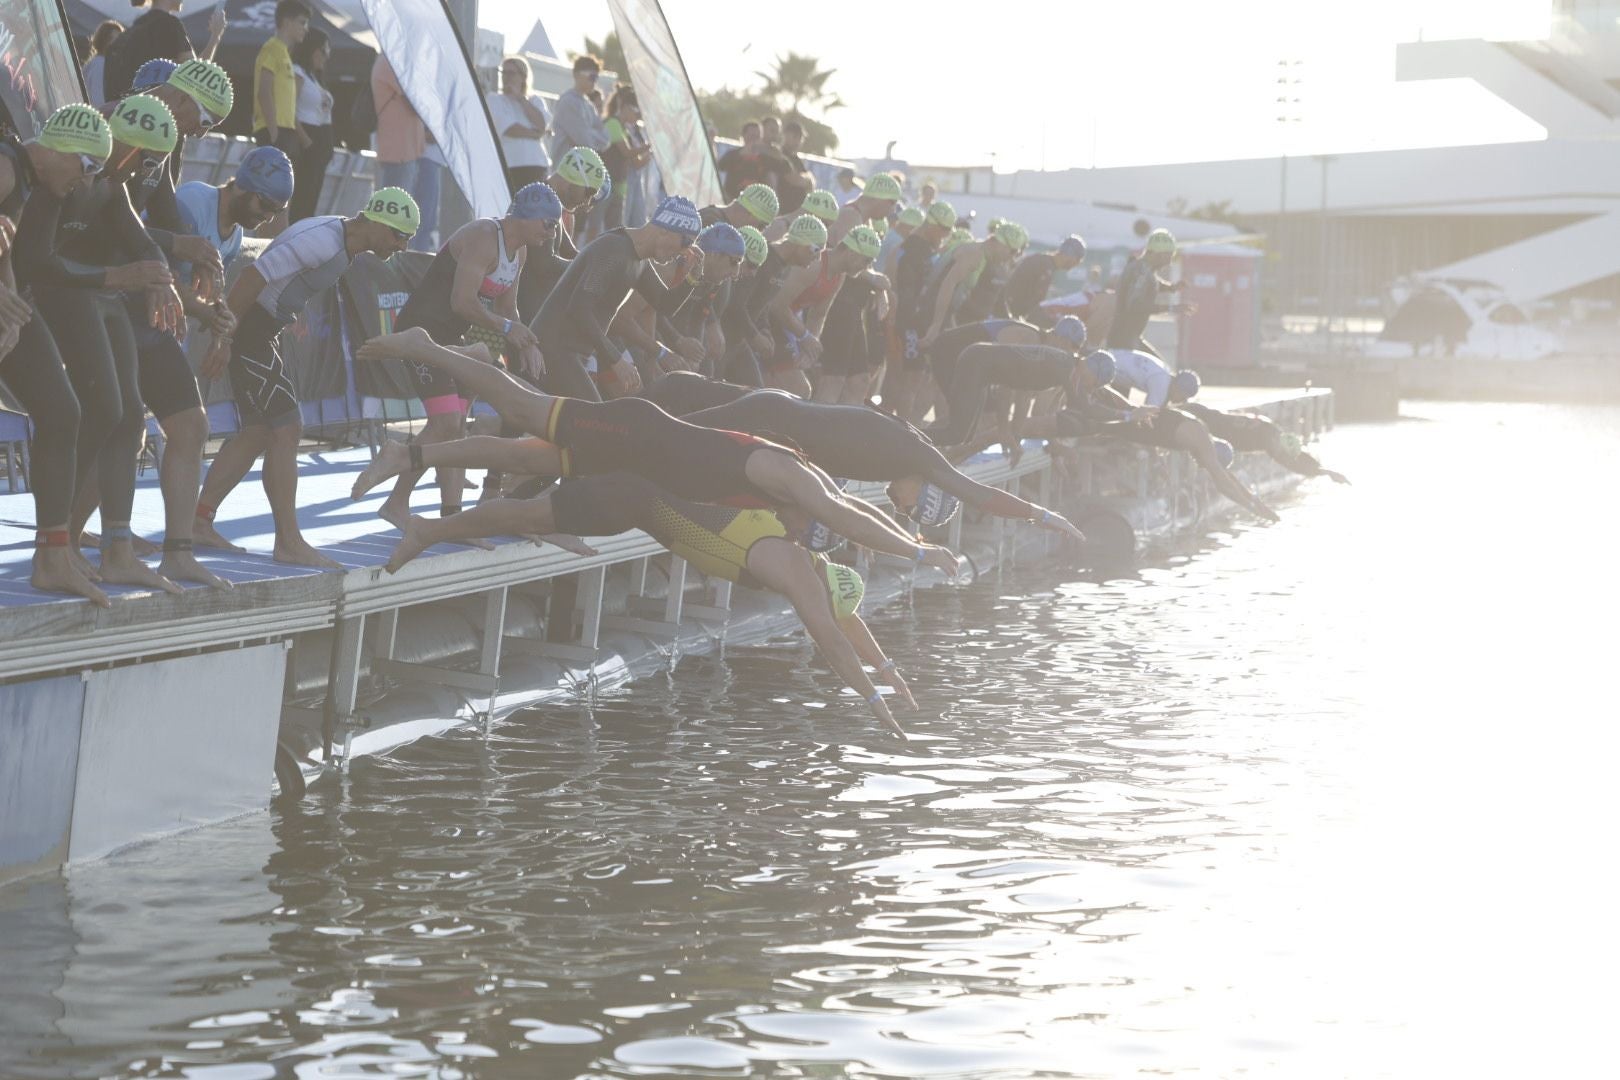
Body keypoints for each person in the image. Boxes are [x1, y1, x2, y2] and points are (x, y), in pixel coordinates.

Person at [351, 328, 965, 581]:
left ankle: (421, 496)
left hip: (635, 459)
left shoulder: (779, 506)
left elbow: (852, 514)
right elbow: (847, 512)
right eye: (811, 533)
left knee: (525, 459)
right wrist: (916, 550)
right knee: (519, 410)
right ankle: (428, 350)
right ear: (811, 517)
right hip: (634, 432)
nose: (800, 537)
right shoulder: (794, 477)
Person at [379, 472, 914, 738]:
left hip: (648, 491)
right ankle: (436, 524)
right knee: (533, 509)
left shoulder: (800, 548)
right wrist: (872, 699)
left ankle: (508, 509)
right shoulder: (794, 568)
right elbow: (833, 636)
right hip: (633, 499)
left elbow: (845, 622)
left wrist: (888, 669)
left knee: (542, 489)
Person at [191, 186, 418, 567]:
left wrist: (284, 316)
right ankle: (289, 541)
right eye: (401, 236)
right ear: (378, 223)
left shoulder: (343, 241)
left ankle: (199, 520)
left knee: (259, 430)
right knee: (287, 429)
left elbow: (280, 281)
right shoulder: (324, 241)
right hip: (249, 333)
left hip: (261, 332)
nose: (404, 247)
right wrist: (223, 337)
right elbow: (251, 277)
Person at [27, 94, 184, 596]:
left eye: (153, 162)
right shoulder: (61, 175)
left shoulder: (111, 184)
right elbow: (40, 263)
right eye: (142, 156)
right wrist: (117, 275)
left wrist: (160, 277)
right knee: (98, 407)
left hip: (94, 291)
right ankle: (60, 539)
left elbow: (142, 242)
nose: (142, 169)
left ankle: (112, 547)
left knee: (129, 415)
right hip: (58, 292)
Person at [662, 383, 1089, 544]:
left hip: (774, 412)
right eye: (909, 508)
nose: (899, 509)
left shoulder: (902, 455)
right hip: (766, 418)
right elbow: (979, 495)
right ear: (926, 488)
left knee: (672, 398)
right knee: (661, 438)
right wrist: (1042, 515)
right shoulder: (913, 455)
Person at [370, 183, 557, 530]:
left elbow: (507, 307)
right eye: (550, 224)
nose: (553, 233)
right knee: (446, 424)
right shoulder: (485, 236)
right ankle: (398, 503)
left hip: (451, 339)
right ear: (529, 217)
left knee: (455, 427)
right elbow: (462, 302)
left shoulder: (520, 251)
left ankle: (450, 518)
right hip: (421, 334)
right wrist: (505, 330)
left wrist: (526, 341)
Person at [155, 147, 291, 585]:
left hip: (162, 331)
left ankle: (141, 539)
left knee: (163, 430)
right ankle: (97, 538)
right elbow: (161, 272)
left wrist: (221, 330)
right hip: (134, 318)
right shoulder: (195, 201)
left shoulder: (231, 236)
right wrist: (209, 315)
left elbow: (210, 294)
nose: (268, 218)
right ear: (242, 188)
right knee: (124, 427)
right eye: (265, 206)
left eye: (277, 211)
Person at [0, 104, 113, 606]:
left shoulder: (29, 182)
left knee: (63, 412)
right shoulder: (7, 165)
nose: (86, 183)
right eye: (88, 169)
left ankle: (52, 556)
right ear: (63, 150)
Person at [928, 341, 1115, 449]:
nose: (1090, 388)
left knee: (964, 435)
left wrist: (1011, 434)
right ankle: (908, 443)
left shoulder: (1064, 366)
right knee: (956, 434)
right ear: (1092, 371)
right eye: (1095, 384)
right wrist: (1128, 414)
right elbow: (1084, 408)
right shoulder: (1064, 368)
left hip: (979, 363)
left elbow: (1019, 396)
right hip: (976, 363)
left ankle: (915, 440)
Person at [766, 224, 881, 397]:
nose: (867, 267)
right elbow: (776, 305)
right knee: (799, 391)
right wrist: (805, 337)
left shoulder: (839, 275)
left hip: (783, 323)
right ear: (851, 252)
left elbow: (818, 315)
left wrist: (809, 351)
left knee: (795, 390)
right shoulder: (816, 265)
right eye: (867, 261)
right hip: (767, 318)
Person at [890, 200, 958, 422]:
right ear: (932, 225)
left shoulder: (925, 247)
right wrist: (914, 327)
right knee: (909, 378)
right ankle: (903, 429)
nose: (946, 235)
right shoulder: (912, 249)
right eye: (945, 230)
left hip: (918, 323)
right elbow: (908, 292)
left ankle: (903, 426)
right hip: (910, 324)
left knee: (913, 378)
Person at [1178, 402, 1350, 484]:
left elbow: (1296, 457)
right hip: (1211, 428)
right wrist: (1325, 472)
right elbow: (1294, 464)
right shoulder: (1271, 443)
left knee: (1191, 411)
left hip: (1213, 417)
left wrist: (1326, 471)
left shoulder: (1271, 428)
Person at [916, 221, 1024, 351]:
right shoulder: (975, 254)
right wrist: (936, 325)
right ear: (1001, 244)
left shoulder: (982, 255)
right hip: (931, 312)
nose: (1012, 258)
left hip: (940, 313)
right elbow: (947, 285)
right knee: (921, 369)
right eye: (1013, 252)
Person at [101, 0, 226, 101]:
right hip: (154, 119)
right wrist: (216, 35)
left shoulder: (129, 33)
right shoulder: (170, 24)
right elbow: (195, 74)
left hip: (126, 119)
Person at [1106, 228, 1193, 358]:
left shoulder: (1143, 268)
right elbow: (1135, 305)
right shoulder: (1140, 271)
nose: (1169, 262)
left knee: (1163, 369)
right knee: (1161, 372)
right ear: (1157, 254)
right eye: (1168, 256)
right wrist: (1171, 308)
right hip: (1124, 342)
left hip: (1129, 338)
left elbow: (1151, 282)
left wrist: (1171, 287)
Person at [252, 0, 309, 162]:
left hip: (285, 130)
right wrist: (273, 133)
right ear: (286, 22)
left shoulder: (284, 52)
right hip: (274, 130)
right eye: (302, 22)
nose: (306, 29)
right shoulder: (272, 48)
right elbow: (264, 91)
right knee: (272, 186)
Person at [288, 28, 334, 223]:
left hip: (320, 141)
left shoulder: (315, 77)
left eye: (328, 52)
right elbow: (289, 108)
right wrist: (306, 140)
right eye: (322, 51)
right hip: (308, 138)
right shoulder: (298, 73)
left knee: (312, 198)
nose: (326, 56)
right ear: (311, 49)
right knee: (303, 197)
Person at [488, 56, 551, 194]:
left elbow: (541, 123)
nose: (506, 77)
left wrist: (521, 99)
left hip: (537, 164)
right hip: (511, 165)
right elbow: (510, 129)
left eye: (511, 73)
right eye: (503, 73)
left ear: (523, 76)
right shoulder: (495, 100)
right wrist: (535, 134)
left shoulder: (535, 100)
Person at [1004, 234, 1085, 327]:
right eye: (1076, 261)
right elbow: (1034, 303)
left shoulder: (1044, 262)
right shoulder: (1046, 267)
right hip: (1010, 313)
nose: (1074, 266)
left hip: (1010, 310)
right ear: (1069, 256)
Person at [601, 85, 652, 231]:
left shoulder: (624, 129)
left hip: (619, 186)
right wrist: (648, 146)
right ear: (624, 106)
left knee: (617, 229)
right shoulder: (612, 123)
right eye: (636, 111)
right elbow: (627, 153)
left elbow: (634, 160)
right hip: (606, 187)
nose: (637, 117)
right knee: (600, 229)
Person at [548, 54, 611, 165]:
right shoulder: (568, 102)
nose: (594, 82)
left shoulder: (588, 105)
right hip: (565, 171)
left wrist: (588, 133)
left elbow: (606, 140)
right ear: (577, 75)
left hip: (582, 169)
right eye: (592, 77)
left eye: (596, 78)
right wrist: (592, 134)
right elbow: (585, 142)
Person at [1104, 346, 1202, 410]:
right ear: (1178, 388)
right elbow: (1149, 414)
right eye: (1183, 397)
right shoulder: (1162, 384)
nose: (1181, 401)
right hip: (1104, 368)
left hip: (1108, 356)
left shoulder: (1164, 373)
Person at [829, 172, 901, 245]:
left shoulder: (863, 219)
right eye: (892, 203)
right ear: (879, 199)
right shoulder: (851, 217)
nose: (893, 209)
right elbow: (847, 255)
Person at [718, 121, 779, 202]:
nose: (754, 140)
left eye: (757, 136)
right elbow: (719, 167)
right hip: (732, 200)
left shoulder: (766, 159)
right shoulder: (733, 154)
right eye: (751, 136)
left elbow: (772, 181)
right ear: (743, 135)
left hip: (755, 203)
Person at [700, 182, 778, 232]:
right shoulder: (713, 225)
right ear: (750, 216)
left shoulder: (712, 216)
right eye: (761, 227)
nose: (759, 233)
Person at [82, 20, 124, 107]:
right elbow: (99, 103)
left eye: (120, 39)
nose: (118, 44)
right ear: (104, 41)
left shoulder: (100, 63)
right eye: (114, 40)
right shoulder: (99, 65)